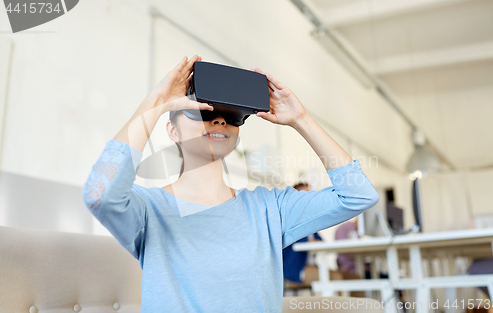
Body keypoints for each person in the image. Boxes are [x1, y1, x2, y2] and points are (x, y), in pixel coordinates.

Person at [81, 55, 379, 312]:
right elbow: (99, 193)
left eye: (232, 117)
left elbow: (358, 195)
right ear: (172, 130)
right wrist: (156, 102)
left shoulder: (268, 209)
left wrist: (301, 119)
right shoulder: (149, 210)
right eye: (204, 112)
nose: (220, 121)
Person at [282, 183, 322, 284]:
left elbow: (320, 241)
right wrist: (310, 242)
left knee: (349, 276)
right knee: (336, 277)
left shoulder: (310, 221)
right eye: (306, 195)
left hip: (311, 266)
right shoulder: (289, 222)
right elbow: (300, 244)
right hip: (295, 270)